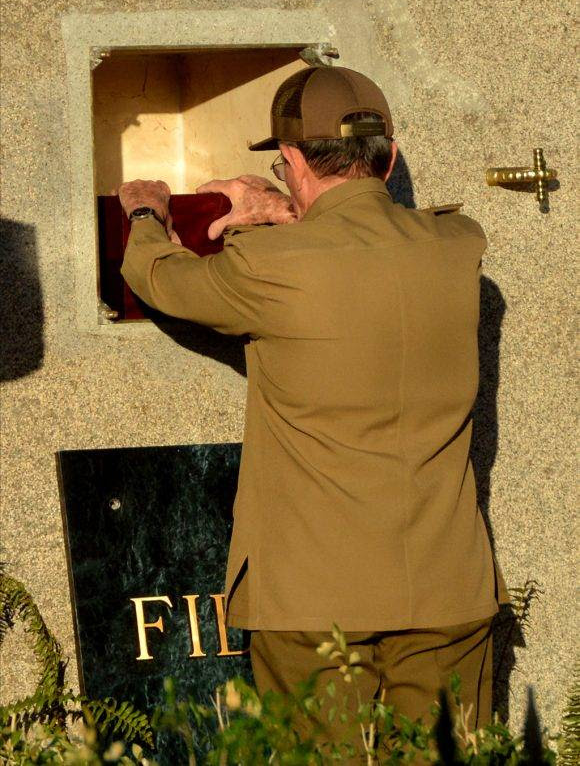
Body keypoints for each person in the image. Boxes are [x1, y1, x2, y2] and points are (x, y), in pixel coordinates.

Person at [119, 65, 510, 760]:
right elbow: (362, 247)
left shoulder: (270, 264)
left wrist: (147, 213)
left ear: (293, 161)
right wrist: (293, 213)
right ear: (385, 157)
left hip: (315, 603)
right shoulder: (457, 249)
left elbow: (161, 279)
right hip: (449, 590)